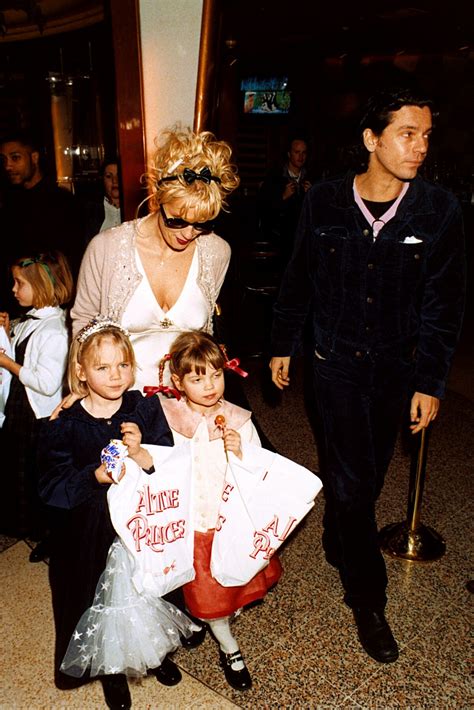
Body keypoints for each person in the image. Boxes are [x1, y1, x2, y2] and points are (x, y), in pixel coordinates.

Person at [269, 88, 466, 664]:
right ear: (371, 139)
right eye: (408, 133)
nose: (421, 147)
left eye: (427, 135)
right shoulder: (325, 202)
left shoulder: (438, 210)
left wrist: (430, 381)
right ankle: (368, 599)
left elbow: (444, 305)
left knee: (365, 477)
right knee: (353, 483)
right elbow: (299, 276)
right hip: (334, 366)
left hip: (396, 372)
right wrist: (283, 343)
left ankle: (339, 535)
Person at [37, 319, 185, 708]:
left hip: (139, 524)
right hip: (93, 531)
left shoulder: (144, 407)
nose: (115, 375)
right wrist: (95, 475)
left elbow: (167, 463)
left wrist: (140, 452)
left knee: (147, 589)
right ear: (81, 372)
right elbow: (52, 485)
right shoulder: (65, 425)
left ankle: (155, 653)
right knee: (101, 598)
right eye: (102, 367)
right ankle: (111, 668)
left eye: (122, 365)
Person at [71, 126, 240, 393]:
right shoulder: (106, 248)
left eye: (201, 225)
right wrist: (83, 395)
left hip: (191, 400)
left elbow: (206, 336)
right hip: (119, 401)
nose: (188, 234)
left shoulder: (217, 252)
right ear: (157, 197)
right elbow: (83, 325)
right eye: (177, 220)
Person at [158, 330, 283, 690]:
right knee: (205, 588)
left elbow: (260, 467)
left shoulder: (237, 419)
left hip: (227, 522)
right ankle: (227, 644)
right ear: (178, 381)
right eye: (198, 379)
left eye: (216, 375)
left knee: (224, 587)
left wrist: (240, 452)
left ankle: (208, 621)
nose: (211, 386)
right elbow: (161, 465)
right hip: (191, 522)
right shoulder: (171, 417)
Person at [0, 251, 73, 562]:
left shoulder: (55, 330)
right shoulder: (32, 320)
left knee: (37, 472)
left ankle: (49, 534)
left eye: (20, 284)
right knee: (18, 465)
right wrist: (6, 334)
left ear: (41, 286)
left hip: (38, 412)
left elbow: (46, 383)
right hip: (22, 403)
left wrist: (6, 362)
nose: (14, 290)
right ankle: (22, 522)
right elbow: (23, 352)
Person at [0, 132, 84, 313]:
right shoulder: (9, 202)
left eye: (15, 158)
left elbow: (69, 259)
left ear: (34, 157)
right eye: (4, 159)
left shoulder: (61, 201)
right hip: (16, 301)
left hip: (51, 304)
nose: (8, 166)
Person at [257, 136, 312, 261]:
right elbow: (263, 208)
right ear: (289, 154)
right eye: (297, 152)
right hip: (279, 241)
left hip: (303, 240)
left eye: (304, 153)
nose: (300, 156)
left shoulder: (311, 177)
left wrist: (312, 196)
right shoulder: (274, 177)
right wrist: (282, 197)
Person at [83, 159, 122, 244]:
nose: (115, 181)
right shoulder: (90, 210)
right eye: (109, 176)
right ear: (102, 180)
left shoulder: (136, 209)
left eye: (119, 175)